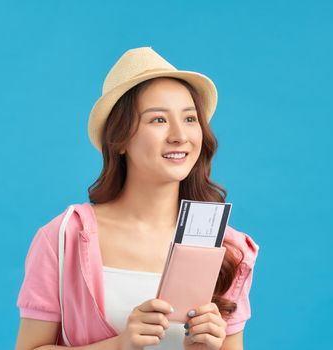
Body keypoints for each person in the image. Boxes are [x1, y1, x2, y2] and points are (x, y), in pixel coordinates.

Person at [14, 47, 260, 350]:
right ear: (119, 140)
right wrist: (119, 345)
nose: (179, 136)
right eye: (158, 120)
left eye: (190, 119)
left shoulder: (226, 247)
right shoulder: (64, 237)